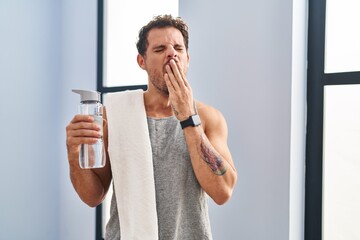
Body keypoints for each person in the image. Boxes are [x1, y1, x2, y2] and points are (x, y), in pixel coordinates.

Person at [66, 14, 237, 239]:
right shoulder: (115, 115)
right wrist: (73, 154)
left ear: (188, 59)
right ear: (142, 61)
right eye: (159, 49)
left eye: (178, 48)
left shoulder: (208, 118)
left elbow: (222, 192)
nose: (171, 54)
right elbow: (93, 196)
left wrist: (188, 117)